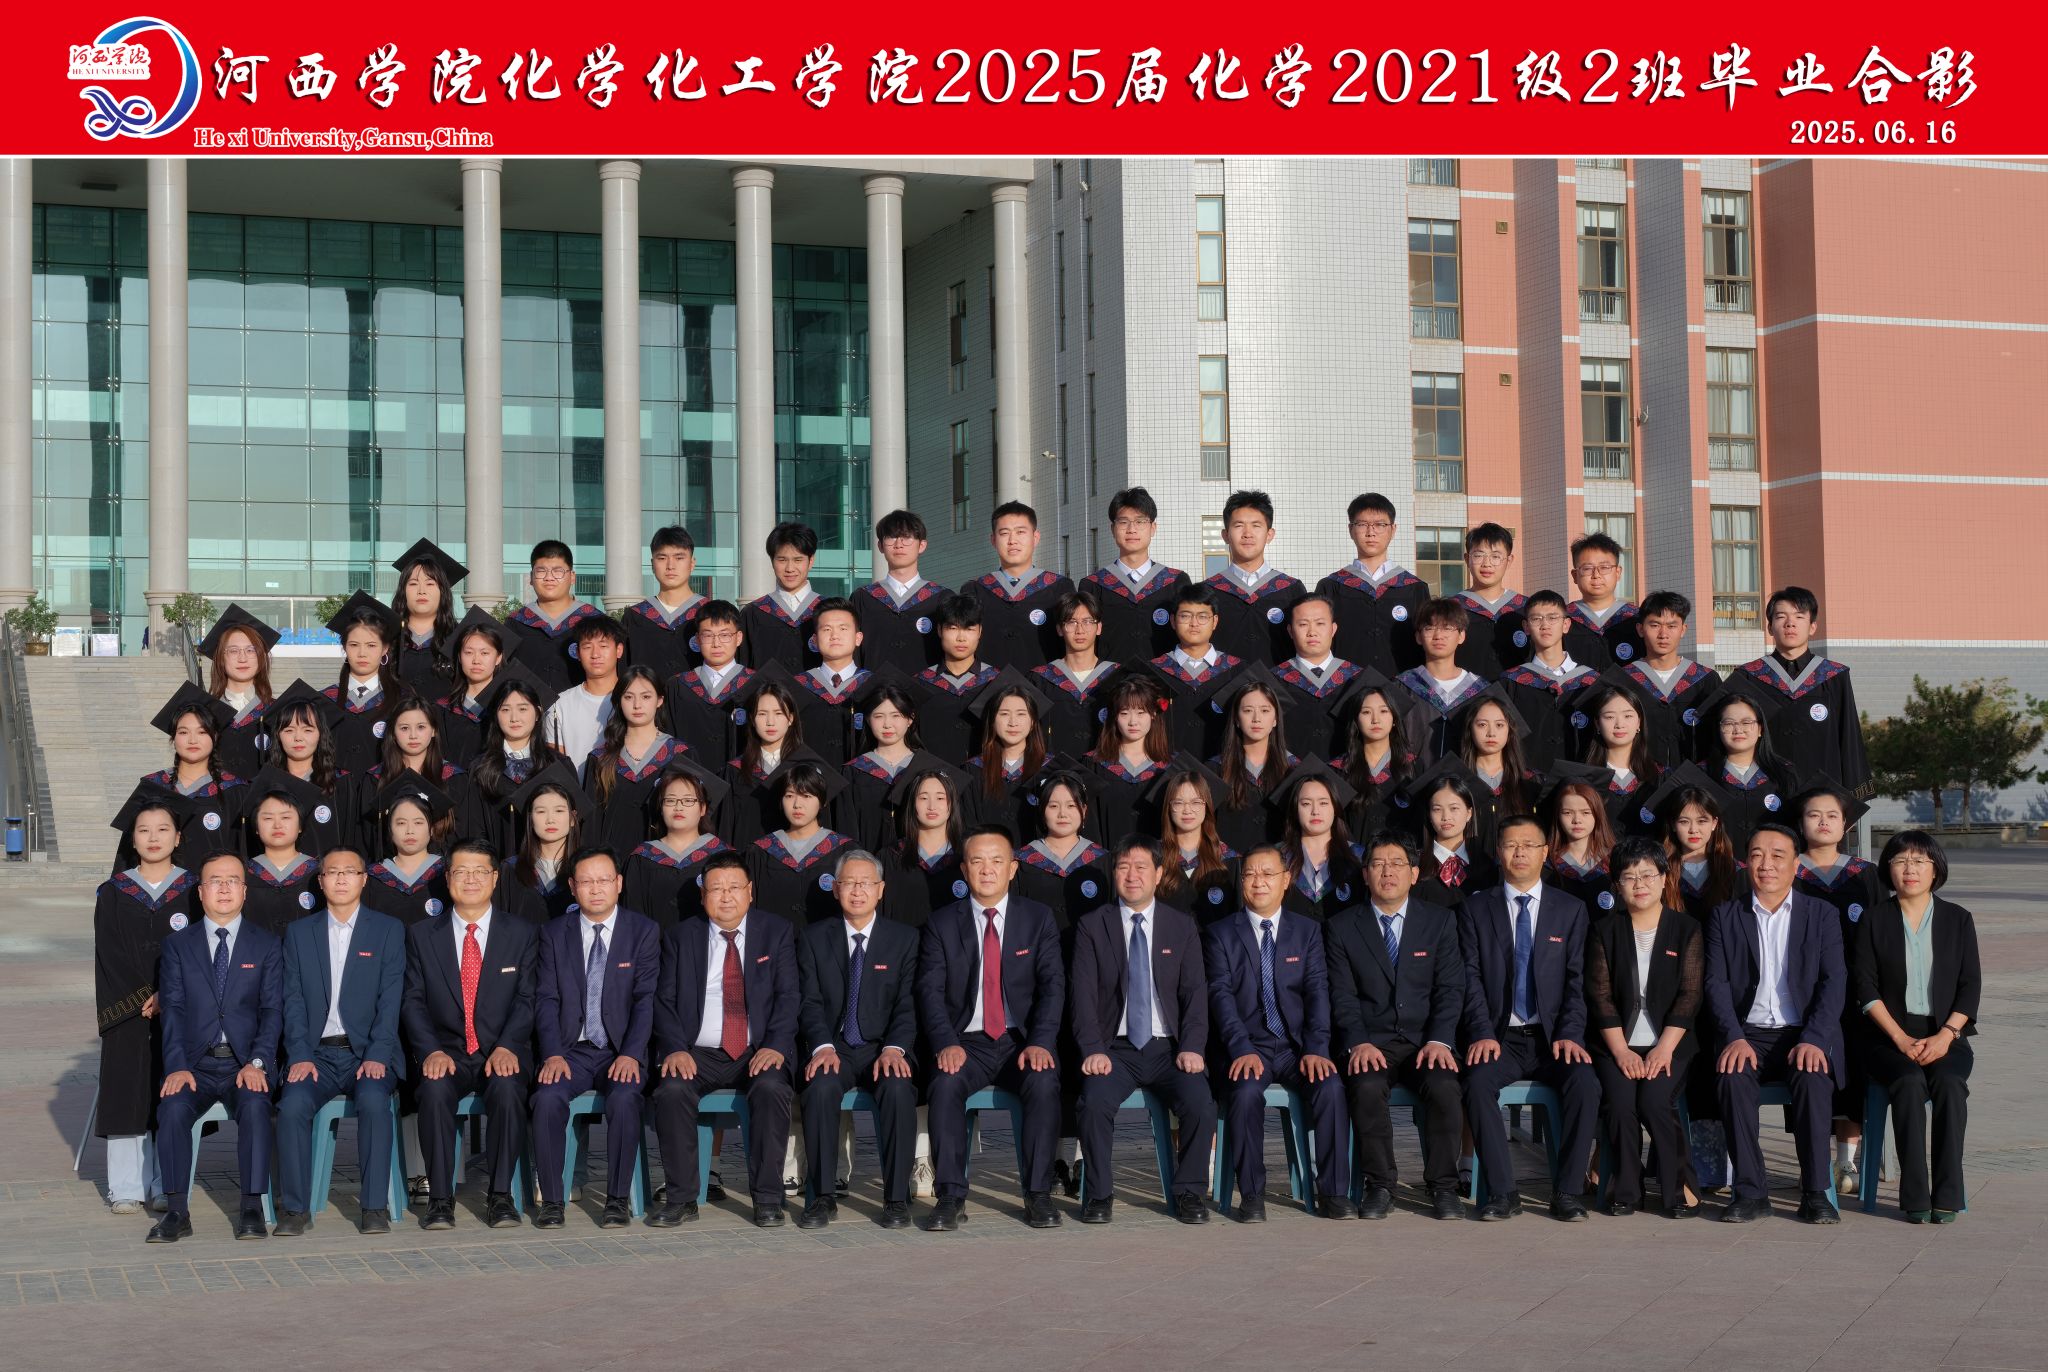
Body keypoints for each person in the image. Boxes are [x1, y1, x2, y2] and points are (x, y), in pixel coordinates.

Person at [917, 827, 1066, 1230]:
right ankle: (950, 1197)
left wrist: (1040, 1041)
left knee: (1043, 1082)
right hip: (967, 1043)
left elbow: (1053, 986)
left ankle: (1038, 1195)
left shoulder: (1037, 919)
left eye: (997, 861)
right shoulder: (941, 923)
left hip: (1022, 1041)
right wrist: (945, 1042)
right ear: (964, 869)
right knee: (944, 1084)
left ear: (1012, 868)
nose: (987, 870)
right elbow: (929, 991)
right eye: (977, 861)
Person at [1456, 814, 1601, 1222]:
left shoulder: (1570, 910)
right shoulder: (1474, 909)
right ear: (1499, 853)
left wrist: (1571, 1032)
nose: (1519, 853)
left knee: (1585, 1084)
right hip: (1499, 1037)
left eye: (1529, 845)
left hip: (1553, 1039)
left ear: (1544, 853)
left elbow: (1578, 981)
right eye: (1510, 845)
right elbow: (1469, 978)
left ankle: (1568, 1191)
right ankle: (1503, 1192)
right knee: (1477, 1083)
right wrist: (1482, 1032)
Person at [648, 851, 800, 1228]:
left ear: (751, 891)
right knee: (671, 1091)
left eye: (734, 887)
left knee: (771, 1089)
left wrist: (775, 1045)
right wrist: (675, 1048)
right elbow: (663, 1000)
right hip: (697, 1052)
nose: (726, 896)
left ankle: (768, 1198)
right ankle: (683, 1198)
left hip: (756, 1049)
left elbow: (788, 996)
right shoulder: (681, 937)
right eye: (716, 889)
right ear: (703, 896)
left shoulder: (776, 931)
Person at [1705, 822, 1847, 1224]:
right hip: (1746, 1033)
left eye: (1777, 855)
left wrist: (1815, 1038)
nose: (1765, 864)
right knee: (1731, 1079)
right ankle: (1751, 1192)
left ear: (1796, 864)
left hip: (1802, 1033)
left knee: (1813, 1078)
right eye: (1756, 855)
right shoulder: (1725, 916)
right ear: (1745, 862)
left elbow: (1834, 980)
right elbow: (1715, 983)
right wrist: (1733, 1037)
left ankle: (1815, 1192)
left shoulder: (1821, 915)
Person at [1070, 836, 1216, 1224]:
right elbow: (1082, 997)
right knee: (1093, 1104)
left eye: (1141, 867)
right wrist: (1092, 1049)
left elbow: (1195, 994)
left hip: (1168, 1049)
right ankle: (1099, 1195)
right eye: (1123, 867)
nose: (1131, 875)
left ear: (1159, 874)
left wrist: (1192, 1046)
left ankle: (1189, 1193)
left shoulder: (1180, 926)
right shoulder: (1092, 926)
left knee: (1201, 1104)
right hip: (1114, 1050)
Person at [1202, 844, 1352, 1220]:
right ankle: (1252, 1194)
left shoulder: (1307, 932)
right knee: (1245, 1092)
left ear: (1286, 880)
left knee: (1331, 1088)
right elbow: (1220, 996)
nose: (1258, 881)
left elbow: (1318, 992)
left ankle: (1334, 1192)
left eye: (1268, 874)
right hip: (1247, 1046)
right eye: (1250, 874)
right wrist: (1240, 1048)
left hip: (1296, 1047)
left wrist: (1317, 1047)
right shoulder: (1220, 934)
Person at [1324, 830, 1467, 1221]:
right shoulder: (1342, 927)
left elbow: (1451, 989)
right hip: (1372, 1042)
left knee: (1444, 1087)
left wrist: (1440, 1040)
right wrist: (1357, 1042)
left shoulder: (1439, 922)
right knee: (1366, 1086)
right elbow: (1341, 996)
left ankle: (1444, 1186)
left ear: (1414, 873)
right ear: (1365, 874)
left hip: (1425, 1041)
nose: (1388, 872)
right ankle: (1381, 1185)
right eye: (1378, 864)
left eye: (1397, 864)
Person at [400, 838, 536, 1230]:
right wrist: (429, 1050)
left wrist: (508, 1045)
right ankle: (440, 1199)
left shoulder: (521, 933)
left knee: (508, 1090)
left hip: (501, 1050)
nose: (471, 879)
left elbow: (528, 998)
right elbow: (412, 1000)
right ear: (448, 879)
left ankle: (500, 1195)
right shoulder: (422, 935)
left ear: (495, 878)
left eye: (480, 872)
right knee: (433, 1090)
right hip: (447, 1052)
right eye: (461, 871)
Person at [273, 846, 408, 1236]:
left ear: (364, 880)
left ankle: (374, 1207)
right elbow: (292, 1001)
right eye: (333, 872)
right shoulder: (300, 933)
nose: (342, 879)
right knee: (292, 1105)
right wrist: (299, 1054)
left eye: (351, 872)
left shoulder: (387, 930)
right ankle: (295, 1209)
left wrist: (378, 1053)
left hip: (367, 1052)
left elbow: (391, 1000)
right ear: (321, 881)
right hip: (316, 1054)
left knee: (374, 1101)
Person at [149, 851, 283, 1243]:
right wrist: (176, 1065)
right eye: (215, 881)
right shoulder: (178, 945)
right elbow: (172, 1010)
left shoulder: (267, 945)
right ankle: (176, 1210)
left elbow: (272, 1011)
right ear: (201, 891)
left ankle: (251, 1206)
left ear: (245, 890)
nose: (224, 889)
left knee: (256, 1107)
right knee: (172, 1109)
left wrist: (258, 1061)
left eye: (232, 881)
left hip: (245, 1064)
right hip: (195, 1064)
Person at [529, 846, 662, 1229]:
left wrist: (632, 1053)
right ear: (572, 887)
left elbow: (645, 999)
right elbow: (546, 999)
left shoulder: (643, 931)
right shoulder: (554, 933)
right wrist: (552, 1053)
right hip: (570, 1051)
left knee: (624, 1098)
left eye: (604, 880)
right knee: (547, 1098)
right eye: (586, 881)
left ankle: (617, 1200)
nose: (596, 888)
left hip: (619, 1050)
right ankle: (552, 1200)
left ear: (619, 883)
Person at [1854, 831, 1980, 1223]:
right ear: (1888, 869)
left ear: (1935, 869)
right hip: (1887, 1036)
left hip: (1946, 1033)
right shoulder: (1874, 920)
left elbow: (1970, 986)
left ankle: (1948, 1194)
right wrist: (1899, 1038)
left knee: (1950, 1084)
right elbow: (1865, 986)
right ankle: (1914, 1196)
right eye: (1901, 860)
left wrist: (1946, 1036)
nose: (1910, 869)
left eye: (1920, 861)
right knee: (1908, 1083)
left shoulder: (1958, 919)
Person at [794, 849, 921, 1229]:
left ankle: (896, 1198)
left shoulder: (904, 939)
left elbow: (908, 1003)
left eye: (865, 883)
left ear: (880, 889)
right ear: (835, 889)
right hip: (835, 1047)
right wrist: (821, 1046)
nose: (857, 891)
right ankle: (822, 1197)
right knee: (819, 1087)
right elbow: (809, 1002)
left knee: (898, 1088)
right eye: (849, 883)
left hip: (884, 1047)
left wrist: (895, 1048)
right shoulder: (814, 938)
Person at [1586, 839, 1705, 1218]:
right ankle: (1626, 1187)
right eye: (1629, 877)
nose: (1640, 884)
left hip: (1671, 1043)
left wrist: (1664, 1048)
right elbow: (1600, 995)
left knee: (1654, 1101)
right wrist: (1621, 1051)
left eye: (1648, 875)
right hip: (1616, 1044)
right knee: (1621, 1105)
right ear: (1617, 885)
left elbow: (1690, 994)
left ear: (1664, 878)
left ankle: (1678, 1186)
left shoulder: (1686, 929)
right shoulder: (1604, 930)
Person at [96, 785, 198, 1218]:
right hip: (128, 1013)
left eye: (163, 829)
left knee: (168, 1092)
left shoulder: (194, 889)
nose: (153, 837)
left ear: (178, 837)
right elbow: (109, 954)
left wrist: (168, 994)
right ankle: (124, 1187)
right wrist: (145, 996)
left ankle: (164, 1184)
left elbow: (199, 950)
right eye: (143, 830)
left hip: (180, 1009)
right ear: (132, 839)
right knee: (126, 1093)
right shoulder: (114, 891)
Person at [1793, 778, 1884, 1195]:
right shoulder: (1787, 869)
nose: (1823, 822)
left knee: (1851, 1074)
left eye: (1832, 815)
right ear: (1801, 822)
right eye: (1814, 815)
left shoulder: (1865, 874)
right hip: (1801, 991)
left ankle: (1846, 1160)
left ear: (1846, 824)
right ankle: (1812, 1159)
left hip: (1855, 993)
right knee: (1808, 1071)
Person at [1734, 587, 1870, 796]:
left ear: (1812, 626)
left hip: (1822, 793)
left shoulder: (1833, 676)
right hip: (1764, 791)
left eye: (1799, 616)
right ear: (1770, 627)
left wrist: (1853, 798)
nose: (1790, 623)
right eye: (1781, 617)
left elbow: (1849, 737)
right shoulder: (1749, 676)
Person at [1313, 493, 1431, 677]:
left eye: (1380, 524)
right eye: (1362, 524)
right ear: (1350, 529)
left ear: (1393, 530)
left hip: (1402, 687)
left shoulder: (1414, 588)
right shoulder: (1331, 587)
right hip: (1346, 687)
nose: (1371, 532)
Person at [582, 665, 687, 854]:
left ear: (659, 700)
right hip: (611, 860)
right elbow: (591, 824)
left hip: (662, 858)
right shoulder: (601, 759)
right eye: (628, 697)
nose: (637, 705)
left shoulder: (680, 755)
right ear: (619, 701)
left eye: (646, 697)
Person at [464, 668, 567, 857]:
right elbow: (473, 828)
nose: (514, 718)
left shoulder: (558, 765)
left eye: (522, 709)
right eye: (505, 709)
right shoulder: (480, 768)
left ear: (538, 713)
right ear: (495, 715)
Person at [1081, 487, 1190, 666]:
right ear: (1112, 529)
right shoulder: (1093, 585)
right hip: (1110, 679)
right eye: (1123, 522)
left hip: (1163, 678)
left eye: (1140, 521)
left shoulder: (1175, 581)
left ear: (1153, 528)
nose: (1132, 529)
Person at [1615, 592, 1722, 767]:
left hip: (1694, 777)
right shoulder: (1624, 680)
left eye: (1672, 626)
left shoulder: (1705, 679)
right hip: (1640, 776)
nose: (1663, 634)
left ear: (1683, 630)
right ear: (1640, 629)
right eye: (1655, 625)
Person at [622, 763, 733, 931]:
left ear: (703, 808)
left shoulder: (724, 856)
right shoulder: (641, 858)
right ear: (661, 808)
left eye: (688, 800)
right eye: (670, 800)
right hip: (652, 947)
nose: (678, 807)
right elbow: (633, 918)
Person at [966, 501, 1074, 671]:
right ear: (993, 540)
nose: (1012, 540)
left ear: (1035, 537)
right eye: (1004, 533)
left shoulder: (1059, 588)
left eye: (1020, 532)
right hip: (989, 684)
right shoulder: (975, 590)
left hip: (1044, 684)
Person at [1697, 678, 1800, 856]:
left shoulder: (1784, 773)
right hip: (1719, 867)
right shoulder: (1702, 775)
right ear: (1719, 729)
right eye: (1729, 723)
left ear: (1760, 729)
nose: (1738, 729)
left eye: (1746, 723)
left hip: (1770, 869)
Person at [1497, 591, 1599, 770]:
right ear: (1526, 627)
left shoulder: (1591, 681)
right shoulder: (1511, 682)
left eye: (1553, 618)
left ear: (1566, 624)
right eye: (1536, 619)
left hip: (1580, 780)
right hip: (1527, 780)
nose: (1545, 625)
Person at [745, 760, 855, 927]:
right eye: (789, 796)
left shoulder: (844, 850)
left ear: (823, 801)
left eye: (807, 796)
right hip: (773, 941)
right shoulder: (761, 851)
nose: (797, 805)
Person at [1149, 582, 1248, 759]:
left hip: (1223, 767)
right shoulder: (1153, 672)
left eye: (1202, 616)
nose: (1194, 623)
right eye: (1185, 616)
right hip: (1167, 768)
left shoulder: (1237, 670)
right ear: (1172, 621)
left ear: (1215, 621)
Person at [1204, 490, 1303, 665]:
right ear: (1225, 535)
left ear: (1270, 534)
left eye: (1256, 526)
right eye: (1239, 525)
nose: (1247, 533)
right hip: (1224, 682)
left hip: (1278, 682)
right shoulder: (1207, 591)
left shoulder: (1291, 589)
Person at [961, 667, 1060, 842]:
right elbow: (968, 826)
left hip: (1037, 859)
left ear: (1033, 722)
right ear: (992, 721)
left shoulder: (1051, 770)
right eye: (1004, 714)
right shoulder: (973, 771)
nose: (1013, 723)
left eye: (1021, 714)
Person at [1212, 669, 1298, 857]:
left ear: (1275, 719)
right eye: (1248, 711)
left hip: (1281, 865)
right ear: (1236, 719)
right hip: (1229, 866)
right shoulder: (1215, 769)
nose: (1256, 718)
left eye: (1265, 711)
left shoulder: (1293, 770)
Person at [261, 679, 352, 857]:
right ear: (278, 736)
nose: (298, 738)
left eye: (308, 730)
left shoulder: (341, 783)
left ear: (321, 734)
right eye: (289, 730)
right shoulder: (265, 785)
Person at [909, 593, 1001, 766]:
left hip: (985, 776)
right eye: (953, 628)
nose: (961, 638)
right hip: (933, 777)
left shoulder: (996, 682)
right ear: (939, 630)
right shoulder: (919, 684)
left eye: (969, 629)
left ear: (980, 631)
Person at [1085, 668, 1174, 846]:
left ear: (1153, 714)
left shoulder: (1171, 766)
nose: (1133, 722)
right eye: (1124, 713)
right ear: (1114, 716)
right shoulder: (1094, 764)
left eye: (1141, 712)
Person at [1270, 593, 1365, 762]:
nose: (1312, 632)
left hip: (1348, 773)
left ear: (1333, 629)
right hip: (1290, 773)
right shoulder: (1272, 681)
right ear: (1290, 631)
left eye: (1320, 623)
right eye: (1303, 624)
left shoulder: (1358, 679)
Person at [854, 509, 950, 670]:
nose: (899, 544)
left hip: (926, 685)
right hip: (875, 685)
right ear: (880, 546)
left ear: (922, 545)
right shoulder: (863, 598)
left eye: (906, 537)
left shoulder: (942, 598)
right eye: (891, 537)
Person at [500, 765, 596, 925]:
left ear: (573, 818)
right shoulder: (511, 869)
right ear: (530, 819)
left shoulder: (588, 869)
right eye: (541, 811)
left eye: (559, 811)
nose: (550, 819)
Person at [662, 599, 755, 764]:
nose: (716, 644)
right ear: (697, 639)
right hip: (689, 776)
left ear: (739, 638)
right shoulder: (678, 686)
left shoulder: (755, 684)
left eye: (725, 635)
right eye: (708, 635)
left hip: (742, 776)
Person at [879, 762, 971, 930]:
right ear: (912, 804)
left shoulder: (967, 856)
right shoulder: (890, 857)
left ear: (952, 804)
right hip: (903, 945)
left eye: (940, 798)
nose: (932, 806)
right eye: (923, 798)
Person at [323, 590, 404, 778]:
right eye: (354, 645)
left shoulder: (402, 699)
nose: (362, 653)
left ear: (385, 649)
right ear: (344, 647)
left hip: (383, 790)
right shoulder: (324, 700)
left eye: (371, 645)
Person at [842, 672, 925, 853]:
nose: (887, 724)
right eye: (878, 716)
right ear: (867, 719)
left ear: (910, 719)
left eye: (896, 715)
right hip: (866, 863)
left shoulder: (925, 767)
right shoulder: (855, 770)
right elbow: (847, 828)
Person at [503, 539, 601, 692]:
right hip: (528, 706)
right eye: (541, 571)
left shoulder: (595, 621)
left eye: (558, 571)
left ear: (572, 577)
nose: (549, 577)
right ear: (531, 578)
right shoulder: (515, 624)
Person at [1397, 598, 1489, 759]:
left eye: (1447, 628)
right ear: (1418, 637)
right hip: (1413, 774)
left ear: (1461, 636)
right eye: (1429, 628)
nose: (1438, 636)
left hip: (1466, 774)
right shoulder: (1401, 687)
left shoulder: (1481, 690)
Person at [1032, 587, 1118, 758]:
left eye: (1088, 621)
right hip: (1055, 771)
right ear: (1059, 629)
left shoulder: (1116, 676)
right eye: (1071, 622)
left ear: (1099, 628)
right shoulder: (1040, 679)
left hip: (1105, 768)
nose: (1080, 630)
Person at [199, 604, 281, 781]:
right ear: (220, 658)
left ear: (261, 657)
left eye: (251, 650)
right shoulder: (205, 713)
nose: (242, 658)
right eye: (233, 651)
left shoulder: (278, 711)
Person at [1151, 762, 1240, 923]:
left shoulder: (1229, 860)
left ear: (1207, 806)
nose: (1187, 810)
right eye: (1178, 803)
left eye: (1196, 802)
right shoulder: (1153, 856)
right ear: (1168, 807)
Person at [788, 597, 870, 769]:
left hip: (860, 779)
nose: (834, 636)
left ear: (858, 638)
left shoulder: (873, 685)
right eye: (826, 629)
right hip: (809, 780)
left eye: (843, 628)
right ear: (815, 640)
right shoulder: (797, 687)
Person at [1334, 676, 1420, 840]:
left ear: (1394, 719)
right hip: (1353, 854)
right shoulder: (1340, 769)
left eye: (1383, 711)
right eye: (1366, 712)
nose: (1375, 720)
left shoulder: (1413, 765)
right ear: (1356, 721)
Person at [241, 769, 323, 939]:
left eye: (286, 817)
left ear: (300, 826)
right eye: (268, 818)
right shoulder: (243, 874)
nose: (277, 825)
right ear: (256, 828)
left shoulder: (319, 873)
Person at [544, 614, 628, 778]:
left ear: (619, 650)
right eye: (587, 647)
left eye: (603, 646)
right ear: (577, 653)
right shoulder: (560, 704)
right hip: (576, 790)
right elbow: (555, 763)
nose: (595, 654)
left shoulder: (634, 699)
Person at [1405, 760, 1497, 909]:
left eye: (1454, 808)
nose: (1446, 817)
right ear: (1429, 815)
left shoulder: (1486, 866)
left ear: (1469, 813)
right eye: (1437, 809)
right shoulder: (1415, 867)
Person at [1278, 763, 1363, 923]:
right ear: (1295, 810)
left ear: (1335, 807)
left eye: (1323, 803)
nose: (1315, 811)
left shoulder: (1359, 857)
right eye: (1306, 804)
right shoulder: (1278, 857)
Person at [622, 525, 708, 683]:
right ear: (652, 564)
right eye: (662, 558)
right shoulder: (635, 617)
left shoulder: (709, 614)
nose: (670, 566)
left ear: (692, 563)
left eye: (679, 558)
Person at [1577, 680, 1663, 837]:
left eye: (1628, 716)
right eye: (1609, 717)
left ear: (1639, 722)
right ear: (1597, 724)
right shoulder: (1582, 777)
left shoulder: (1659, 776)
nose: (1619, 724)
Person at [364, 775, 453, 925]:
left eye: (418, 823)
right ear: (389, 829)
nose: (410, 831)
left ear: (431, 828)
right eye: (401, 823)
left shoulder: (448, 872)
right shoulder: (372, 877)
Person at [742, 521, 824, 670]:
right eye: (782, 560)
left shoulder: (829, 611)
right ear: (772, 561)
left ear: (811, 561)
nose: (790, 568)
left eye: (798, 560)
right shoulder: (753, 613)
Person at [434, 607, 509, 769]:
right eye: (468, 652)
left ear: (498, 658)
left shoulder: (508, 707)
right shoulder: (442, 710)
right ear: (459, 657)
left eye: (484, 653)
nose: (476, 660)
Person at [1450, 523, 1527, 680]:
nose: (1487, 563)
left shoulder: (1526, 609)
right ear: (1467, 559)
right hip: (1466, 694)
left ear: (1509, 560)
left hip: (1516, 694)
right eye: (1479, 555)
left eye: (1496, 556)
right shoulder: (1451, 609)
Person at [389, 539, 465, 696]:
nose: (421, 591)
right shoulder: (386, 639)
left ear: (443, 591)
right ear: (403, 591)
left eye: (430, 584)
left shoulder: (460, 640)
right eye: (413, 583)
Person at [1561, 533, 1642, 671]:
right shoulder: (1562, 620)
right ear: (1575, 575)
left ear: (1618, 573)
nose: (1596, 575)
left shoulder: (1636, 618)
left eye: (1604, 568)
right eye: (1587, 568)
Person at [1544, 778, 1618, 916]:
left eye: (1586, 812)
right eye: (1567, 812)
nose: (1577, 820)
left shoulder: (1615, 861)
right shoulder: (1546, 865)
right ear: (1557, 816)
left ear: (1598, 814)